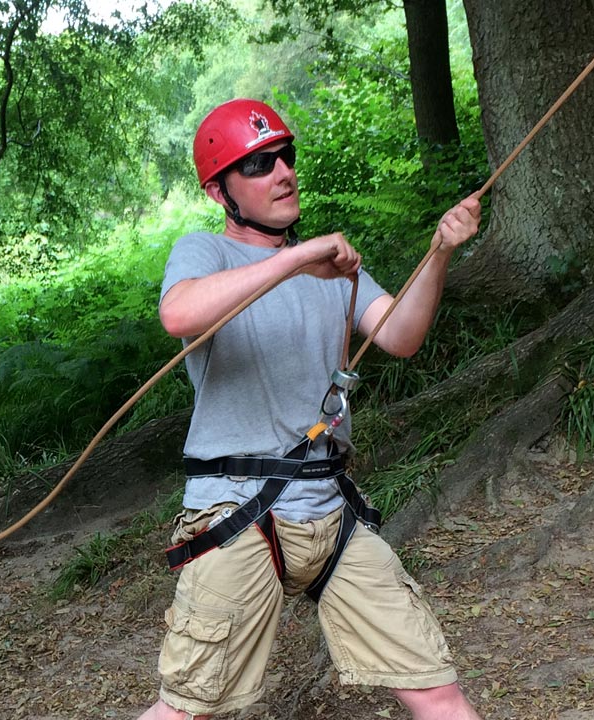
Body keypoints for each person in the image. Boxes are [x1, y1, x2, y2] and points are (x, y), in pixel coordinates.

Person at [140, 99, 483, 720]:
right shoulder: (205, 252)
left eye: (285, 157)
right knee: (187, 709)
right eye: (260, 164)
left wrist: (438, 252)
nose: (283, 173)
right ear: (221, 192)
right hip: (237, 512)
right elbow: (178, 314)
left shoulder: (334, 268)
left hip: (330, 510)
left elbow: (400, 335)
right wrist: (297, 258)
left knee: (436, 686)